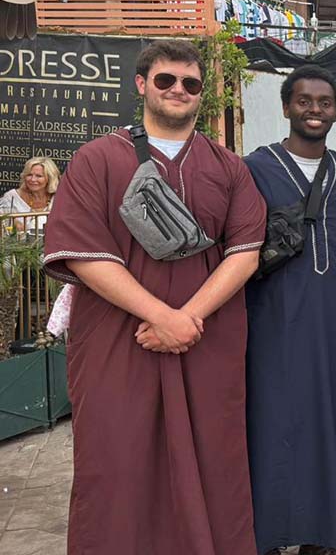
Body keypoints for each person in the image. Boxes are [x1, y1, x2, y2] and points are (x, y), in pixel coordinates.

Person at [41, 39, 266, 554]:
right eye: (166, 79)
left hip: (206, 339)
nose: (178, 90)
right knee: (117, 462)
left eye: (190, 83)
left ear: (202, 93)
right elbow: (85, 254)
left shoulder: (228, 167)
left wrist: (186, 319)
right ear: (142, 84)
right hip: (119, 340)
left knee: (214, 460)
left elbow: (246, 253)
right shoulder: (98, 158)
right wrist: (161, 316)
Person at [243, 65, 336, 555]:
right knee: (271, 417)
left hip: (331, 317)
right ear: (287, 106)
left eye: (325, 103)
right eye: (305, 101)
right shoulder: (255, 167)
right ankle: (267, 534)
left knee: (329, 418)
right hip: (272, 313)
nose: (315, 110)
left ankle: (322, 532)